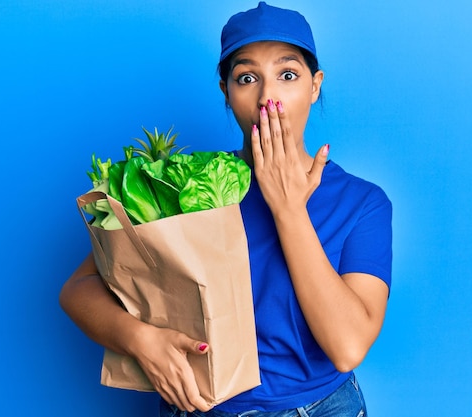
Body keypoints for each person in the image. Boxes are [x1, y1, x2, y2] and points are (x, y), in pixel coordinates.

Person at [60, 2, 392, 416]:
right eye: (247, 77)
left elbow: (347, 348)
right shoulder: (193, 183)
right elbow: (77, 290)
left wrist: (288, 209)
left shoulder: (362, 202)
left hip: (323, 407)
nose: (268, 97)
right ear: (226, 92)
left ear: (314, 85)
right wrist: (140, 339)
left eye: (287, 75)